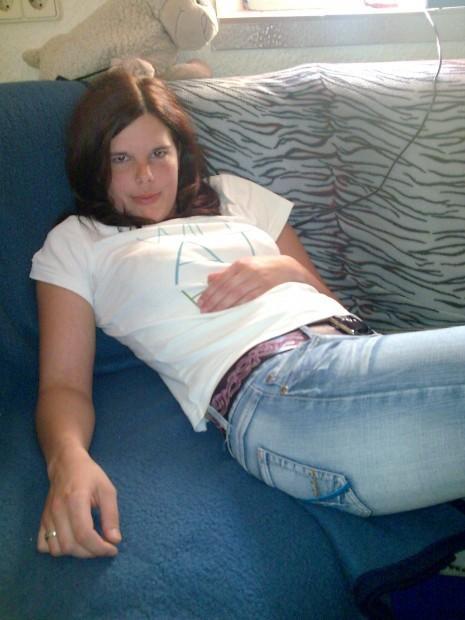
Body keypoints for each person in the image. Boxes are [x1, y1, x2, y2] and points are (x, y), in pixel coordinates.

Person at [30, 68, 465, 559]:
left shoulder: (233, 195)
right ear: (94, 164)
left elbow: (331, 304)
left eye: (158, 154)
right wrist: (67, 461)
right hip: (278, 391)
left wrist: (284, 269)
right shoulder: (78, 241)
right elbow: (62, 385)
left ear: (180, 153)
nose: (145, 176)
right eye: (121, 159)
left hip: (353, 352)